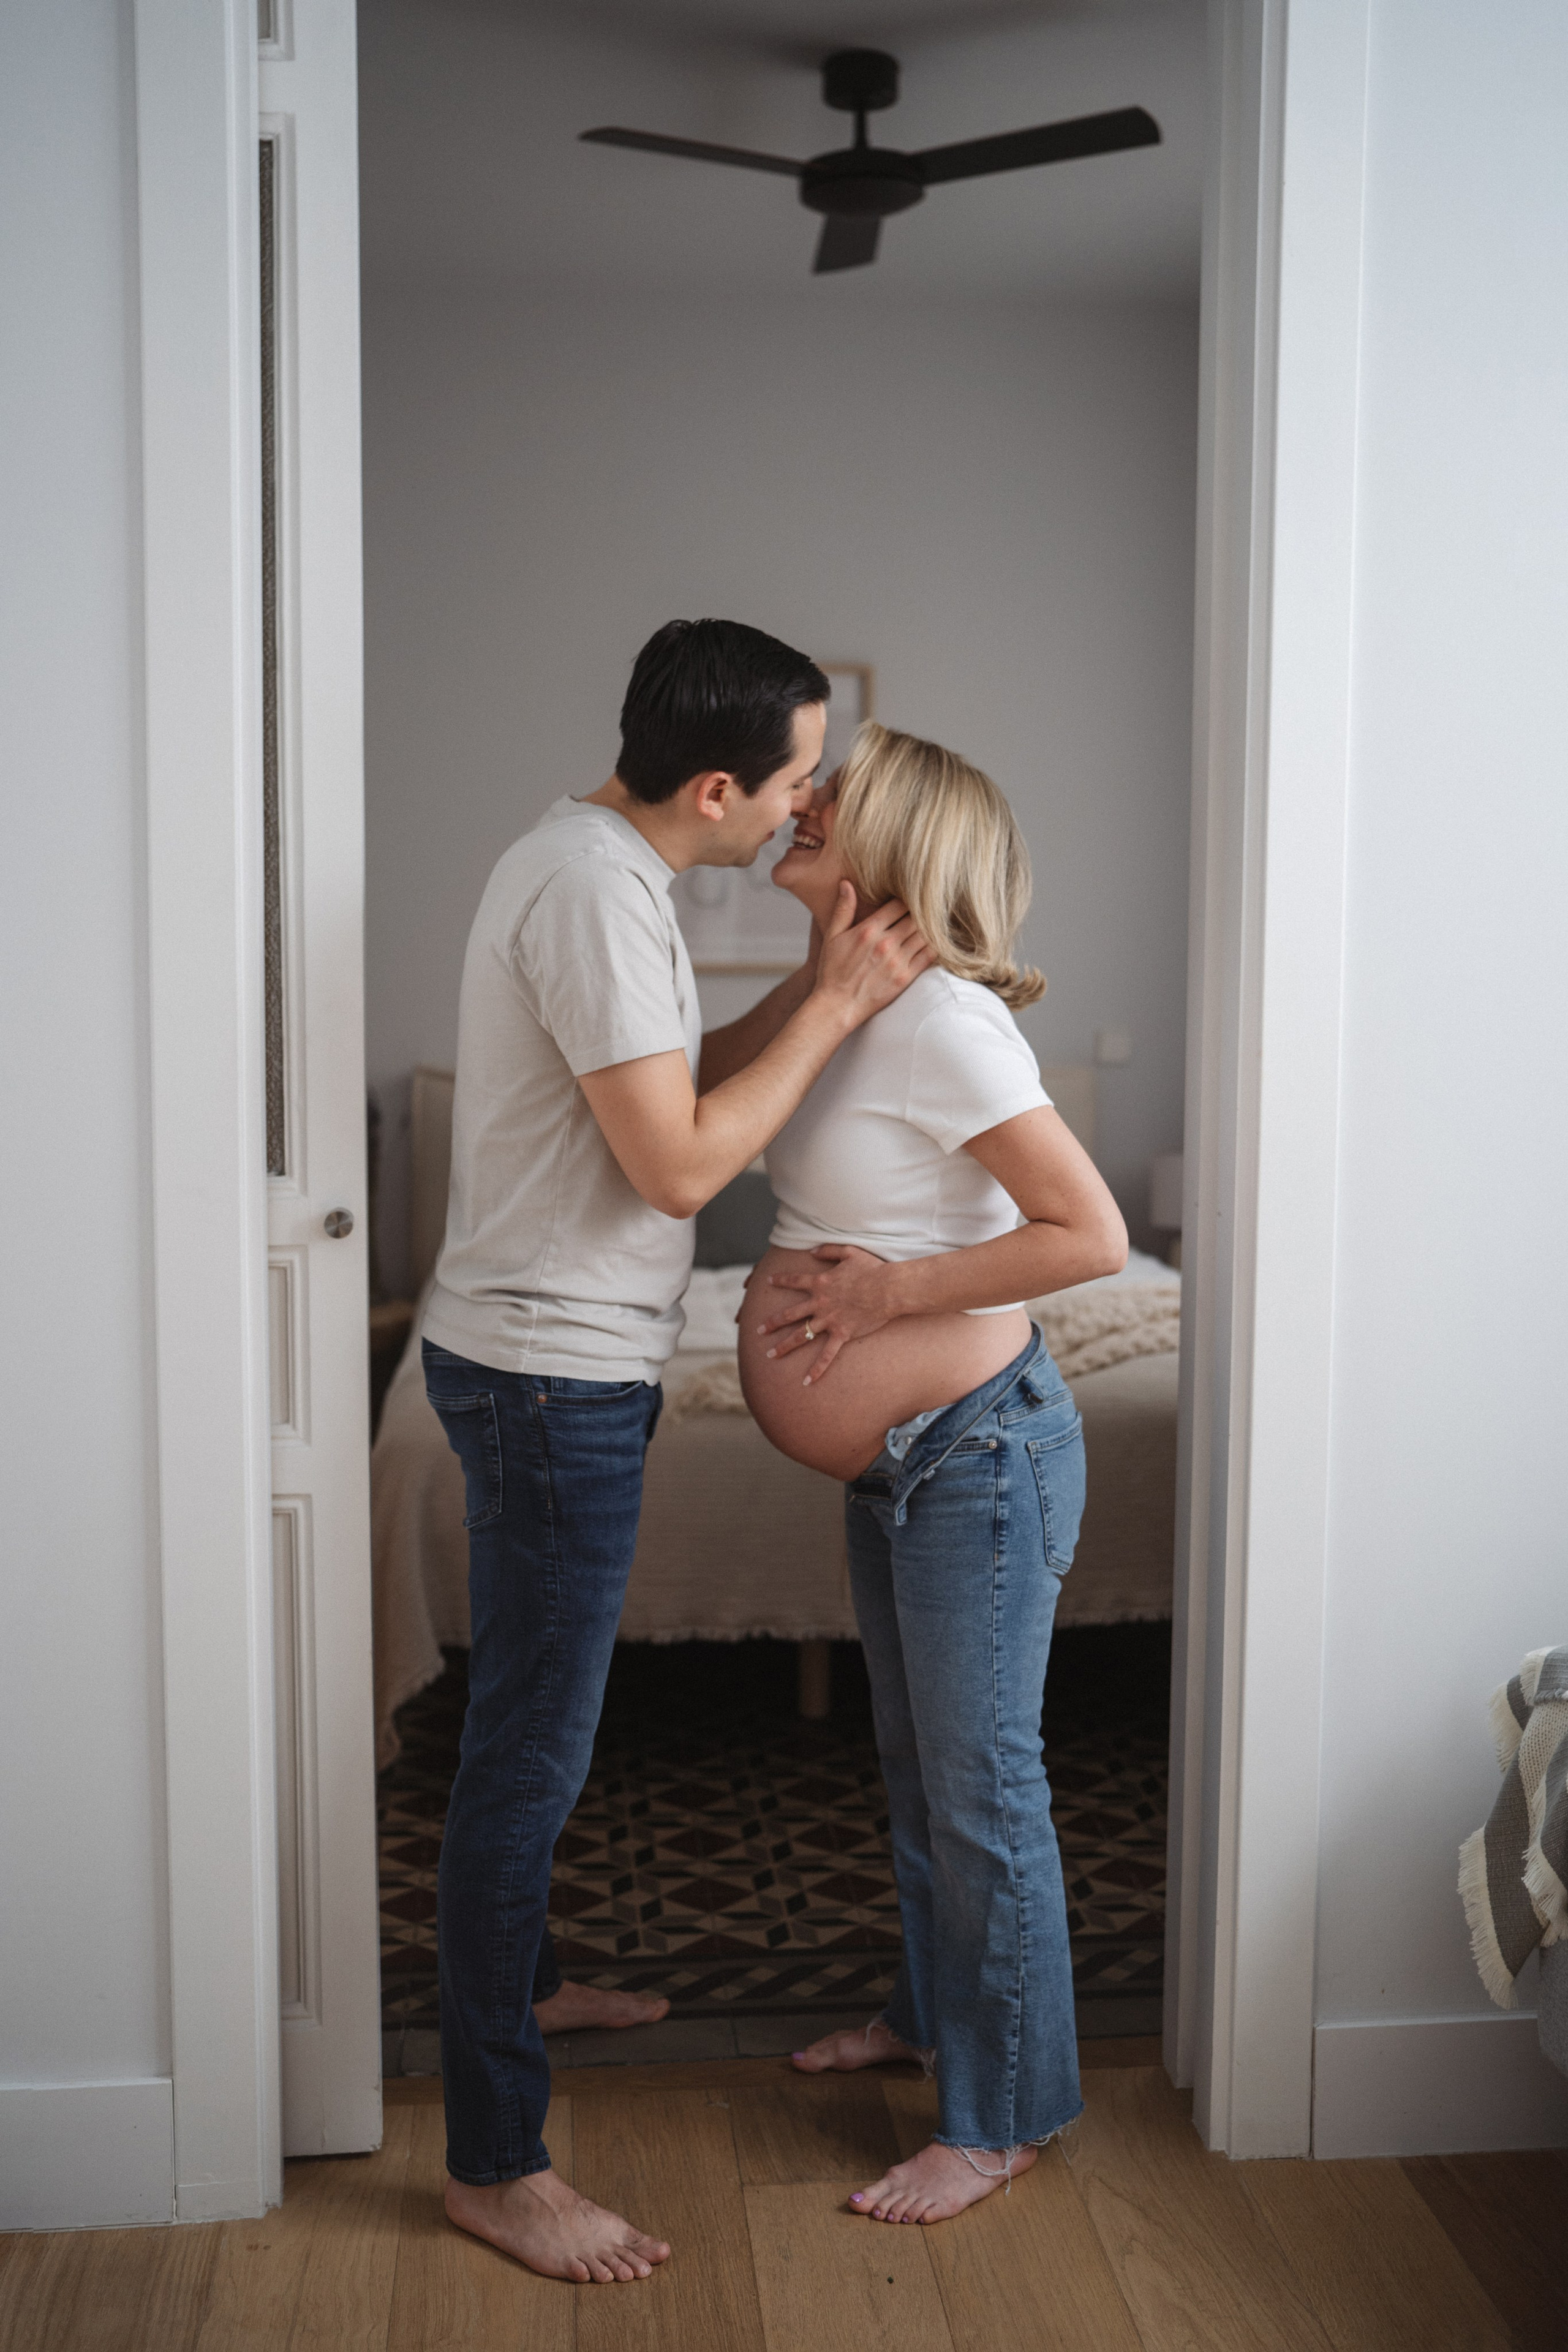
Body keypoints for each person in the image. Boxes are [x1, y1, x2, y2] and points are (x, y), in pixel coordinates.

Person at [420, 622, 933, 2284]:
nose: (803, 806)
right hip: (548, 1380)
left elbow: (672, 1082)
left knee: (528, 1730)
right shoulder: (590, 890)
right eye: (791, 783)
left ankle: (528, 1977)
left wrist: (819, 985)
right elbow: (678, 1168)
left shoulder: (595, 868)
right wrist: (846, 996)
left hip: (539, 1363)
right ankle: (497, 2162)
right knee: (529, 1760)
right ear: (716, 788)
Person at [737, 722, 1128, 2224]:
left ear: (898, 844)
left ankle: (1001, 2117)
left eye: (835, 797)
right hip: (903, 1464)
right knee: (918, 1777)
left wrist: (886, 1299)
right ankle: (927, 2019)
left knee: (978, 1792)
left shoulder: (952, 1026)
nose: (805, 803)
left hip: (978, 1456)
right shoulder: (853, 1010)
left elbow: (1086, 1236)